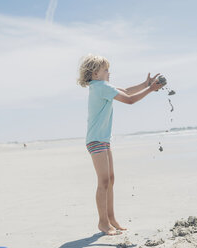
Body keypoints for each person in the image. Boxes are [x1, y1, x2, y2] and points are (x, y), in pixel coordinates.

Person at [77, 54, 165, 236]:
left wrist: (146, 85)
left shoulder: (101, 86)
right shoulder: (101, 87)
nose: (109, 72)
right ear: (95, 74)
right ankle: (103, 222)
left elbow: (126, 90)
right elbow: (130, 100)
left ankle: (111, 218)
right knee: (103, 181)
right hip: (96, 140)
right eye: (106, 70)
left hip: (102, 139)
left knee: (110, 179)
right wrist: (150, 89)